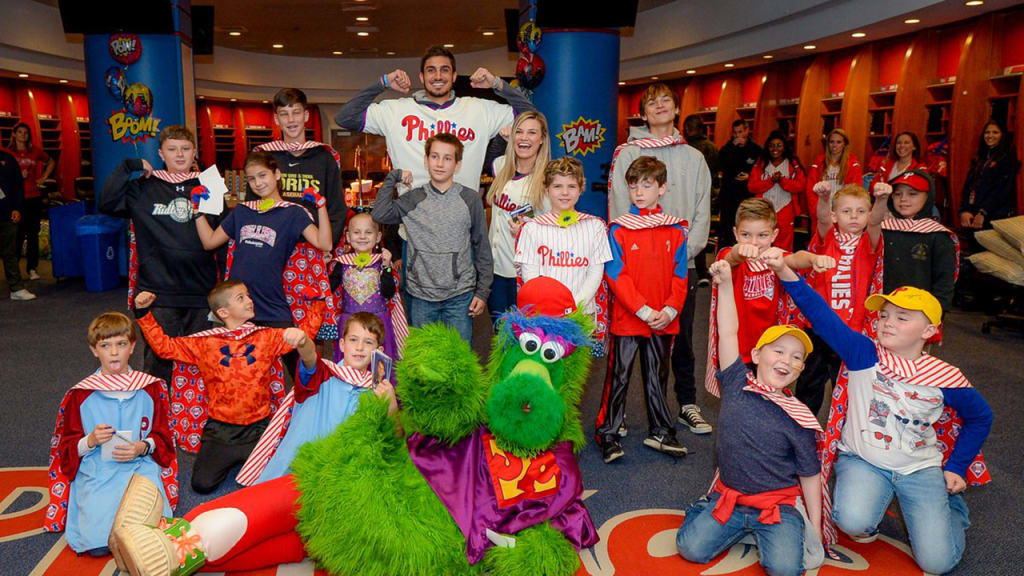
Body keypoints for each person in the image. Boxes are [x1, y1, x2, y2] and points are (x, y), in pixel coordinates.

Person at [766, 254, 993, 576]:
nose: (887, 322)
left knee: (938, 563)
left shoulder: (946, 377)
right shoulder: (864, 353)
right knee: (851, 520)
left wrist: (956, 468)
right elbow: (820, 315)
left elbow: (981, 417)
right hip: (864, 460)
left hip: (920, 467)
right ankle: (878, 501)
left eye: (902, 318)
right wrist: (785, 271)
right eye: (884, 315)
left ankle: (951, 506)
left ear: (929, 330)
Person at [677, 260, 824, 576]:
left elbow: (810, 475)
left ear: (800, 369)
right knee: (690, 548)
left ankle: (777, 531)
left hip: (776, 507)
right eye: (778, 351)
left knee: (785, 569)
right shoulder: (736, 382)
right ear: (756, 355)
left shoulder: (799, 416)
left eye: (796, 357)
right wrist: (727, 284)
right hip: (731, 497)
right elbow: (729, 331)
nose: (787, 360)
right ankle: (706, 507)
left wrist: (816, 525)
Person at [133, 281, 316, 493]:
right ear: (223, 312)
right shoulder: (205, 343)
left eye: (248, 296)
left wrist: (317, 303)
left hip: (259, 429)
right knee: (201, 485)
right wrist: (143, 313)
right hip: (221, 431)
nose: (250, 301)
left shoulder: (267, 337)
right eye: (241, 298)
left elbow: (306, 332)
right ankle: (237, 459)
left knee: (278, 482)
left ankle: (252, 458)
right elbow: (164, 347)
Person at [608, 84, 713, 434]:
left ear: (678, 108)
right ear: (643, 113)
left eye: (666, 100)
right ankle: (616, 414)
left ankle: (686, 403)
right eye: (652, 103)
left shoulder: (694, 157)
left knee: (681, 338)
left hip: (680, 263)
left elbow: (702, 210)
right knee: (629, 338)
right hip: (637, 265)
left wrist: (685, 253)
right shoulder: (628, 153)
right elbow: (620, 207)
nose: (660, 106)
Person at [44, 312, 176, 559]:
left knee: (147, 537)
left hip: (140, 469)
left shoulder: (150, 387)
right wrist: (90, 441)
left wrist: (143, 446)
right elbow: (67, 448)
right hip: (99, 470)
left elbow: (163, 437)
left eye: (121, 344)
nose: (114, 353)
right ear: (94, 350)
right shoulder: (81, 394)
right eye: (105, 346)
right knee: (98, 545)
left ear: (132, 347)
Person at [99, 125, 215, 383]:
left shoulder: (209, 186)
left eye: (185, 149)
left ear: (194, 152)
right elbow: (106, 202)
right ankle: (157, 418)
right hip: (157, 290)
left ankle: (194, 419)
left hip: (200, 289)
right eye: (172, 149)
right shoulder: (144, 187)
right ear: (161, 154)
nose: (180, 155)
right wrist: (129, 166)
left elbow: (223, 234)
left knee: (200, 361)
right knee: (158, 361)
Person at [335, 45, 535, 190]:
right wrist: (383, 82)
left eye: (444, 70)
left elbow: (532, 117)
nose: (438, 76)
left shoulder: (479, 109)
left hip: (463, 220)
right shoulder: (395, 110)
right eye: (431, 70)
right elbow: (345, 118)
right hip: (414, 222)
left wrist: (497, 84)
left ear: (454, 76)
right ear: (422, 77)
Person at [597, 156, 689, 462]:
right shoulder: (620, 229)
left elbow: (680, 274)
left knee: (657, 376)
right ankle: (609, 432)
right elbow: (615, 275)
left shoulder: (675, 229)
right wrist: (643, 310)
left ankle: (661, 430)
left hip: (663, 319)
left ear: (662, 188)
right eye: (633, 185)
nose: (638, 192)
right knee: (619, 378)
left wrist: (671, 310)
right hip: (629, 318)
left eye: (646, 185)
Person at [237, 312, 399, 485]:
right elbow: (310, 357)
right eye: (353, 340)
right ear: (342, 345)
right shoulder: (323, 374)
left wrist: (392, 406)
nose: (359, 347)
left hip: (342, 476)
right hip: (298, 470)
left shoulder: (379, 389)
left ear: (378, 351)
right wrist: (303, 341)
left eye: (368, 342)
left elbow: (393, 442)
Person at [371, 133, 492, 343]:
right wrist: (394, 176)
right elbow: (379, 214)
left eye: (447, 158)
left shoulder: (470, 199)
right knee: (424, 361)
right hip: (421, 297)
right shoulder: (413, 199)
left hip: (460, 295)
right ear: (426, 161)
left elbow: (482, 246)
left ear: (457, 165)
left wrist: (482, 292)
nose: (440, 163)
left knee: (458, 359)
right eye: (435, 156)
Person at [704, 199, 833, 391]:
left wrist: (814, 258)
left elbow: (796, 258)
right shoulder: (728, 257)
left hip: (770, 349)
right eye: (746, 235)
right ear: (735, 233)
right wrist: (740, 250)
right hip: (737, 348)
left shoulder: (775, 257)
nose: (754, 243)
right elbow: (731, 257)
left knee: (770, 397)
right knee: (737, 398)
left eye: (762, 235)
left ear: (774, 234)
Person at [195, 151, 332, 329]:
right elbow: (209, 242)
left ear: (276, 174)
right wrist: (197, 211)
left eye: (262, 175)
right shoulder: (242, 211)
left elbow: (325, 244)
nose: (258, 183)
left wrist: (321, 206)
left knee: (284, 356)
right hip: (239, 309)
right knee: (240, 357)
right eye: (252, 179)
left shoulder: (293, 212)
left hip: (275, 305)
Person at [252, 88, 346, 341]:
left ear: (306, 116)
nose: (291, 120)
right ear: (276, 119)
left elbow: (337, 208)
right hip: (274, 251)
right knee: (272, 322)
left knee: (310, 326)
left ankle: (308, 380)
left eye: (296, 113)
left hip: (313, 253)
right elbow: (254, 205)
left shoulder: (324, 157)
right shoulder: (264, 155)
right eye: (284, 114)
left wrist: (329, 248)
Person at [793, 184, 887, 414]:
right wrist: (824, 198)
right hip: (818, 330)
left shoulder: (869, 244)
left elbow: (876, 223)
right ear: (836, 215)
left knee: (848, 391)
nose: (854, 216)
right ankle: (802, 435)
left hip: (850, 332)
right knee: (808, 387)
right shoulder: (827, 241)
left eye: (861, 211)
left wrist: (882, 199)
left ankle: (844, 441)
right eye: (846, 211)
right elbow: (822, 220)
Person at [516, 157, 612, 351]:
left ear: (581, 188)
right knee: (547, 373)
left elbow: (595, 273)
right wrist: (552, 306)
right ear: (547, 189)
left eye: (572, 186)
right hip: (543, 315)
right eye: (558, 186)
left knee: (579, 375)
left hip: (582, 313)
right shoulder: (532, 228)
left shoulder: (595, 226)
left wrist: (572, 306)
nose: (565, 192)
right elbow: (530, 276)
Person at [486, 110, 551, 324]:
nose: (524, 137)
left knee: (525, 333)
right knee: (498, 331)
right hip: (494, 269)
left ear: (542, 139)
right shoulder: (500, 166)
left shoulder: (547, 180)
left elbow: (555, 232)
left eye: (532, 132)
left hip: (524, 272)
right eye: (519, 132)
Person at [328, 213, 406, 362]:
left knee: (379, 365)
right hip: (350, 322)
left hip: (378, 322)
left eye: (368, 232)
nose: (362, 236)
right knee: (351, 361)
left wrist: (386, 267)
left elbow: (388, 293)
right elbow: (329, 288)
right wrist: (324, 264)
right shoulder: (341, 263)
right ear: (348, 236)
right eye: (357, 232)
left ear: (378, 237)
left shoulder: (382, 262)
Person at [881, 170, 957, 313]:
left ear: (928, 197)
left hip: (921, 311)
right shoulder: (884, 229)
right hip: (884, 306)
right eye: (897, 194)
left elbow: (944, 282)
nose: (903, 199)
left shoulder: (938, 235)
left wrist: (937, 313)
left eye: (912, 194)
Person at [7, 122, 54, 280]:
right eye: (19, 132)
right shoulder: (7, 153)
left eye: (25, 132)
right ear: (14, 134)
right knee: (17, 235)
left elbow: (50, 161)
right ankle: (14, 271)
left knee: (33, 233)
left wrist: (44, 177)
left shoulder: (34, 151)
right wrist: (19, 176)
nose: (23, 135)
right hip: (16, 199)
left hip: (33, 197)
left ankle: (32, 268)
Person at [747, 131, 807, 251]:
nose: (775, 149)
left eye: (779, 145)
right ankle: (762, 269)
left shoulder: (793, 164)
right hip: (764, 208)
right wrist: (771, 181)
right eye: (772, 145)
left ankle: (781, 269)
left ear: (784, 147)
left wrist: (782, 180)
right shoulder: (761, 163)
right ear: (767, 147)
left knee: (784, 245)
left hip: (785, 208)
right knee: (761, 241)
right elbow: (752, 187)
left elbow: (800, 186)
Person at [960, 119, 1019, 230]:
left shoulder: (1007, 158)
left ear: (1003, 135)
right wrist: (964, 210)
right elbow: (968, 186)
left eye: (995, 132)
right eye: (987, 132)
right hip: (972, 215)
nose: (990, 135)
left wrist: (983, 212)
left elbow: (1002, 190)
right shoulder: (980, 158)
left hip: (994, 215)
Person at [717, 119, 761, 248]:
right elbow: (719, 165)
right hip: (728, 195)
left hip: (746, 195)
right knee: (727, 228)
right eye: (735, 133)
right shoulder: (727, 148)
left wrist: (751, 176)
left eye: (740, 132)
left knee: (746, 226)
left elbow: (762, 171)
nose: (738, 136)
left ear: (747, 131)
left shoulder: (756, 149)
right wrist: (732, 148)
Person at [0, 146, 34, 300]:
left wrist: (17, 208)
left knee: (11, 252)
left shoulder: (8, 159)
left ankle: (16, 288)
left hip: (7, 213)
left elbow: (18, 186)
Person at [807, 128, 863, 220]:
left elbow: (855, 190)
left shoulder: (853, 164)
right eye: (831, 142)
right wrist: (816, 210)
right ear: (828, 144)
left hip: (843, 213)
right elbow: (810, 189)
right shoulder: (819, 162)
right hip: (823, 210)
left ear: (844, 144)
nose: (834, 145)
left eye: (838, 142)